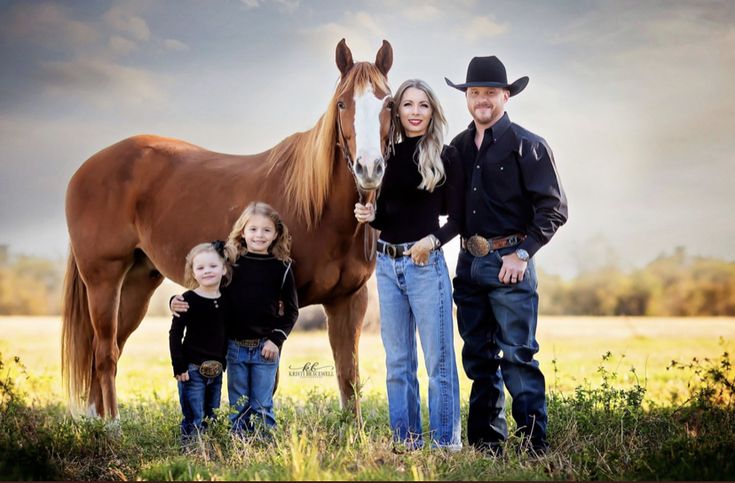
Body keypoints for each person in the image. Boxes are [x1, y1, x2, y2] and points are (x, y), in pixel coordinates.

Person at [445, 56, 568, 455]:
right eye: (474, 92)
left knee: (517, 355)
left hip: (509, 263)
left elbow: (554, 209)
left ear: (507, 95)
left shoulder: (528, 145)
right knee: (478, 356)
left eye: (490, 92)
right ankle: (486, 444)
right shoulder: (458, 148)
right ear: (467, 97)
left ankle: (535, 445)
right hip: (468, 265)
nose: (481, 99)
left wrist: (522, 254)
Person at [354, 79, 464, 450]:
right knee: (398, 363)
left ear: (432, 112)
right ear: (396, 112)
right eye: (408, 105)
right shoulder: (388, 156)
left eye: (423, 105)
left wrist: (432, 241)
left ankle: (446, 443)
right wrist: (369, 214)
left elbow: (460, 218)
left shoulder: (445, 156)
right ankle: (406, 441)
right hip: (387, 265)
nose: (415, 112)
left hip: (425, 266)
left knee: (439, 362)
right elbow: (388, 215)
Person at [171, 202, 298, 434]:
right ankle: (239, 441)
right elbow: (206, 289)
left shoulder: (282, 267)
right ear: (242, 231)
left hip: (265, 348)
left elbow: (291, 311)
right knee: (238, 404)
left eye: (266, 230)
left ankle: (263, 444)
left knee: (262, 403)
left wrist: (276, 340)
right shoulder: (231, 264)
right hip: (235, 347)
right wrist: (175, 300)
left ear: (276, 234)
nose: (259, 235)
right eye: (253, 229)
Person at [169, 241, 231, 442]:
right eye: (200, 268)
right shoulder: (187, 300)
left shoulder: (227, 300)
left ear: (223, 269)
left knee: (211, 417)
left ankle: (209, 452)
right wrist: (179, 366)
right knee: (193, 417)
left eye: (213, 266)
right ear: (193, 273)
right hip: (192, 371)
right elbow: (175, 335)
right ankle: (191, 452)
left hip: (216, 371)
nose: (207, 271)